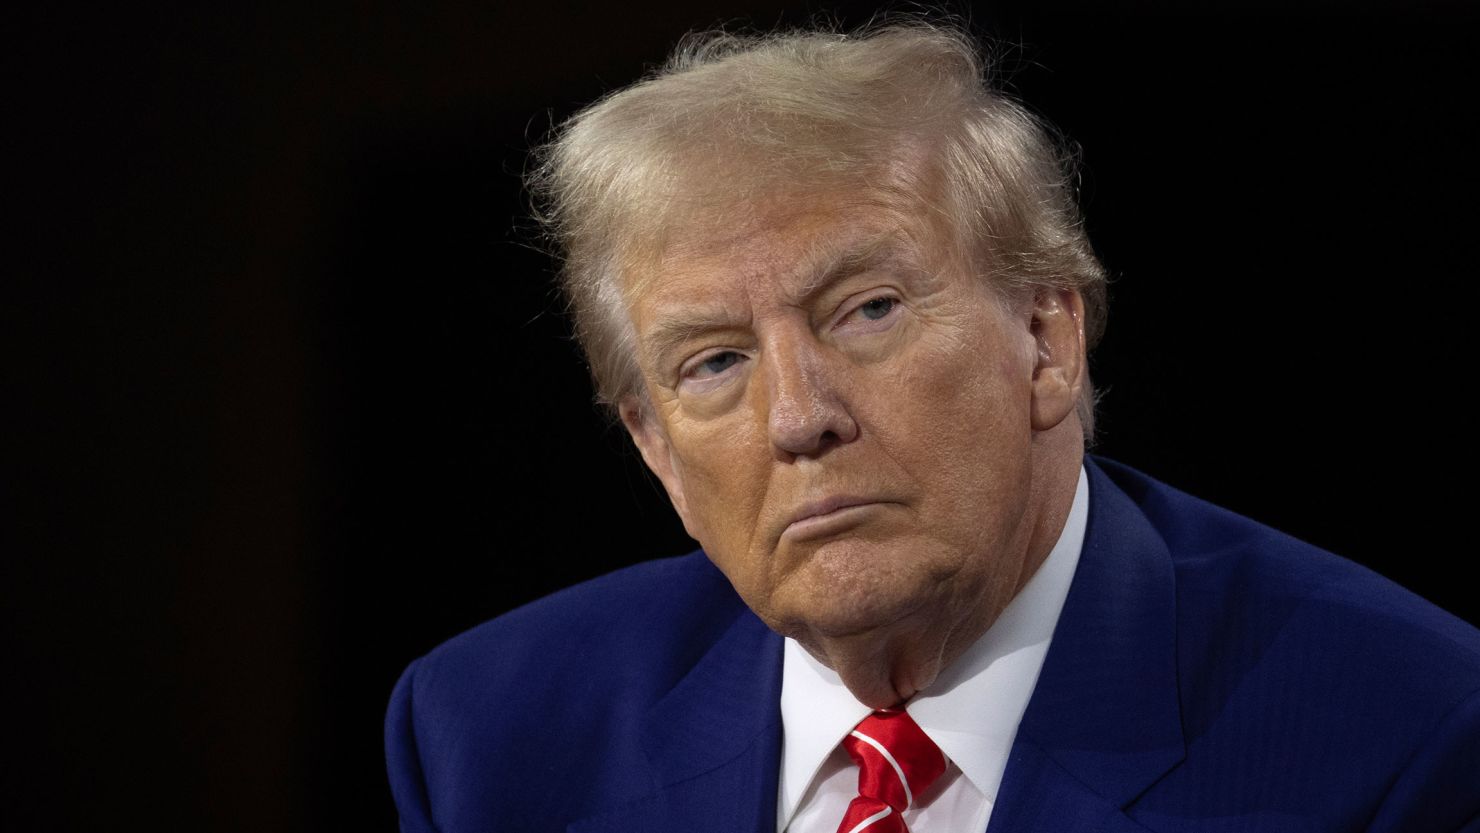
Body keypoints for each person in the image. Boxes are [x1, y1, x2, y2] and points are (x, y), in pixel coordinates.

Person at [385, 22, 1480, 833]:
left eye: (865, 311)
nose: (801, 418)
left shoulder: (1401, 734)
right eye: (714, 362)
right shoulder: (494, 737)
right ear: (655, 448)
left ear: (1048, 337)